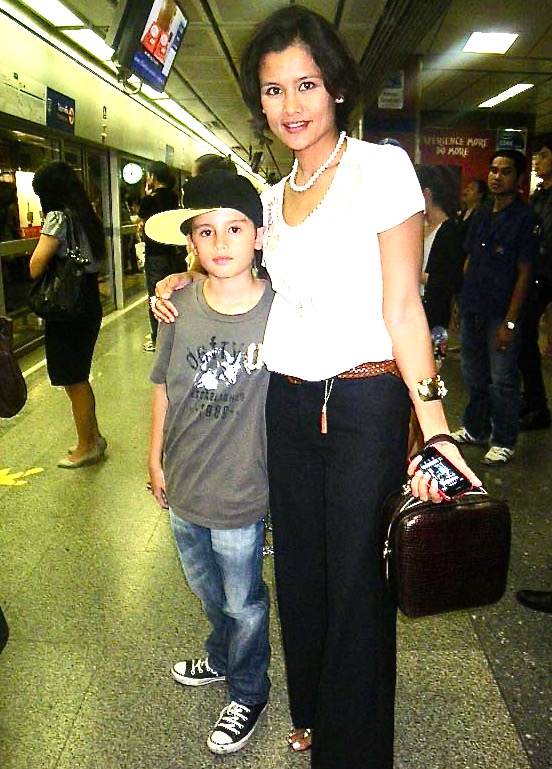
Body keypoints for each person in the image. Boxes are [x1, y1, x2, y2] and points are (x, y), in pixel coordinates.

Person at [150, 6, 480, 768]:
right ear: (259, 103)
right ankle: (311, 709)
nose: (291, 105)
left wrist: (435, 425)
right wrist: (182, 275)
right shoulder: (267, 197)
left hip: (364, 402)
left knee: (359, 575)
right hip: (287, 402)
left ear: (334, 86)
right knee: (298, 565)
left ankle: (353, 746)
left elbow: (405, 307)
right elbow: (233, 265)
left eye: (305, 84)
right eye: (273, 91)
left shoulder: (380, 169)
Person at [146, 170, 273, 755]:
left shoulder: (281, 311)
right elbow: (163, 388)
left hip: (242, 492)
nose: (220, 243)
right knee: (207, 590)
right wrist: (155, 458)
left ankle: (248, 690)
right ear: (190, 245)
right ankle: (222, 659)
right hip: (185, 483)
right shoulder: (177, 307)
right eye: (205, 232)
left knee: (244, 600)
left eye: (234, 228)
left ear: (259, 237)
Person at [452, 149, 539, 465]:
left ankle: (504, 439)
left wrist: (511, 323)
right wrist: (461, 303)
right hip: (473, 306)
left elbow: (525, 273)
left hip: (500, 313)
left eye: (505, 172)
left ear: (517, 180)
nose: (496, 176)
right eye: (493, 170)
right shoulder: (483, 213)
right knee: (473, 374)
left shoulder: (526, 220)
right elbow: (469, 260)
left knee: (502, 380)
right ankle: (476, 428)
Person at [30, 161, 106, 469]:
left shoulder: (58, 218)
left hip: (68, 306)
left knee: (73, 380)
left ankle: (86, 445)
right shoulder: (85, 216)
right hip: (86, 300)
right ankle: (94, 438)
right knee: (78, 376)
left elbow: (36, 265)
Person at [517, 136, 552, 430]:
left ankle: (538, 405)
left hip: (547, 273)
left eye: (543, 155)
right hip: (538, 273)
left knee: (526, 334)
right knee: (524, 337)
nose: (537, 161)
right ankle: (533, 401)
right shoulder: (539, 195)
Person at [136, 161, 183, 351]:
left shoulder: (150, 199)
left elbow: (140, 224)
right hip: (175, 254)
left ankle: (158, 340)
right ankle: (176, 336)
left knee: (156, 297)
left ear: (153, 177)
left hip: (156, 256)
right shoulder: (174, 197)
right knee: (175, 295)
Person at [417, 165, 465, 330]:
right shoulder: (417, 226)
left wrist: (417, 276)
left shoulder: (449, 231)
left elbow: (450, 280)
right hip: (413, 308)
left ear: (426, 195)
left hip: (434, 313)